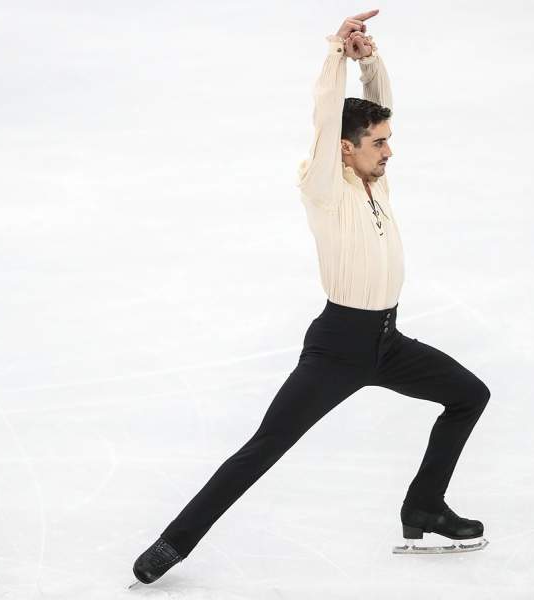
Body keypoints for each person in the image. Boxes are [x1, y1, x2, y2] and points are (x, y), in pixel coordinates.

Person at [130, 9, 491, 586]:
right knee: (266, 445)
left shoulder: (375, 182)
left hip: (388, 342)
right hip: (338, 349)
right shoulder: (325, 187)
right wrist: (335, 56)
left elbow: (378, 106)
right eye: (378, 143)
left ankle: (424, 505)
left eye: (389, 141)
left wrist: (369, 60)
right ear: (344, 150)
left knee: (470, 395)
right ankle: (173, 543)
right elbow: (327, 118)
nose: (389, 151)